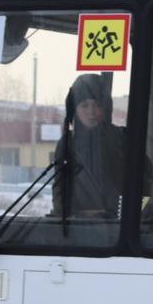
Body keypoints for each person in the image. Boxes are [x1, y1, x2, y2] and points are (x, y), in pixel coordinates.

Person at [51, 74, 126, 218]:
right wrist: (70, 217)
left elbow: (142, 184)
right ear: (74, 109)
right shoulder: (67, 144)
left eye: (97, 105)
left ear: (106, 108)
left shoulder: (122, 139)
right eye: (84, 105)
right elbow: (60, 191)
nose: (91, 112)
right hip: (78, 228)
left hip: (119, 226)